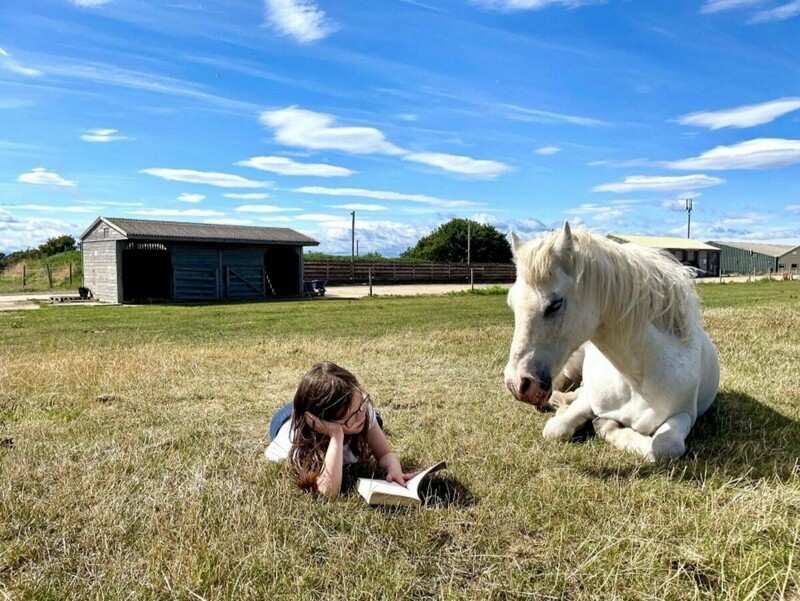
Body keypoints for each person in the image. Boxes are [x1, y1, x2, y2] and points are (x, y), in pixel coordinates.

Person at [265, 361, 416, 497]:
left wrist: (394, 469)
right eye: (351, 416)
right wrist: (336, 435)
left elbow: (385, 453)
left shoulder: (361, 411)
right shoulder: (297, 442)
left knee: (374, 420)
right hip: (284, 418)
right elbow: (328, 492)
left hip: (316, 409)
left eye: (363, 403)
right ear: (324, 424)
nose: (362, 414)